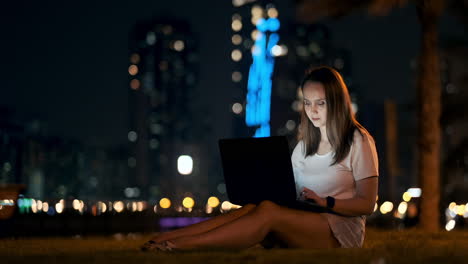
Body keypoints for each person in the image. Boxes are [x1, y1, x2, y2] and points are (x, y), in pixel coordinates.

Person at [141, 66, 379, 251]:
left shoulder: (358, 140)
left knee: (268, 211)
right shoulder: (305, 145)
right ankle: (165, 238)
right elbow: (290, 191)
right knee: (253, 207)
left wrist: (326, 202)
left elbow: (367, 204)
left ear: (336, 102)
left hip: (340, 230)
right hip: (305, 219)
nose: (312, 110)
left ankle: (180, 247)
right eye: (307, 103)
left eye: (320, 103)